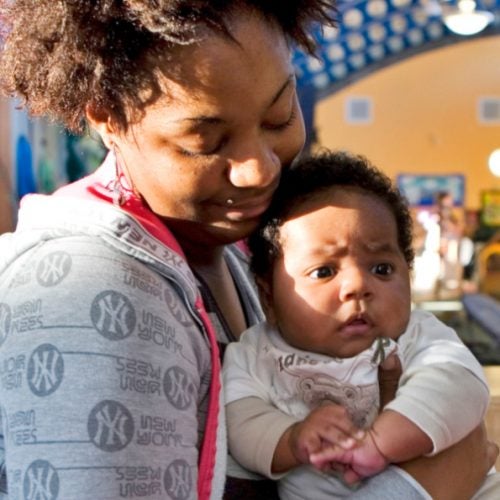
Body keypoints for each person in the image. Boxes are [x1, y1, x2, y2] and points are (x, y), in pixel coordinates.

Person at [0, 2, 497, 499]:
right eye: (206, 140)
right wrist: (430, 485)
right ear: (109, 116)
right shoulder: (85, 294)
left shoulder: (232, 251)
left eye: (279, 118)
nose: (259, 170)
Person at [223, 150, 500, 499]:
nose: (357, 285)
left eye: (382, 269)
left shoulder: (417, 336)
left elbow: (459, 386)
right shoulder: (256, 354)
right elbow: (239, 420)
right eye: (324, 272)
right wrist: (291, 438)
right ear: (269, 297)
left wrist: (381, 443)